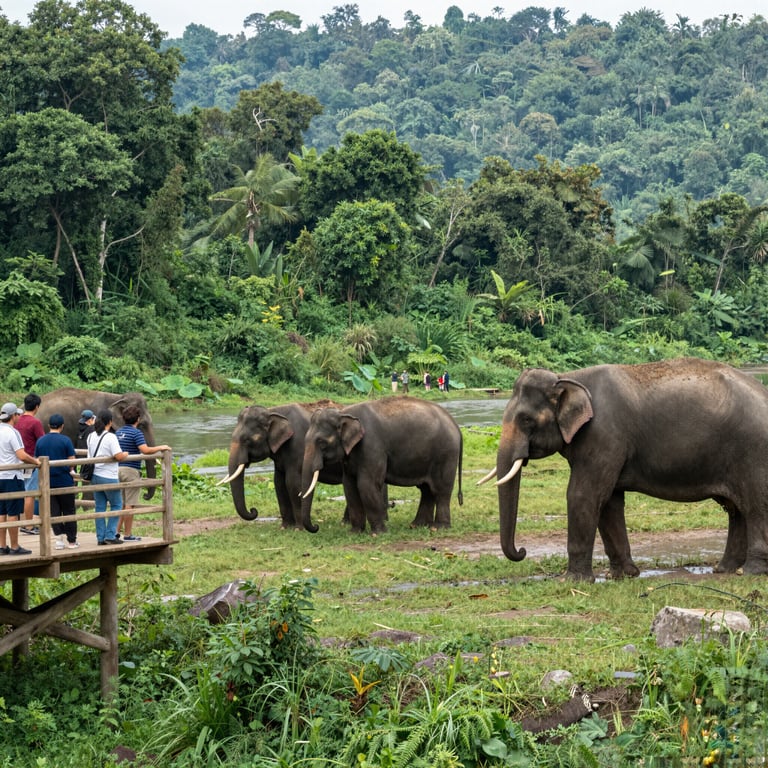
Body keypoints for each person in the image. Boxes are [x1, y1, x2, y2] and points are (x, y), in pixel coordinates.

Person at [116, 405, 171, 541]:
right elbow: (145, 450)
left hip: (117, 470)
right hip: (131, 471)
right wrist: (161, 447)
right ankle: (127, 535)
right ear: (138, 419)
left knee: (122, 503)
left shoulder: (118, 432)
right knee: (130, 504)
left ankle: (115, 532)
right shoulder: (136, 433)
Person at [0, 402, 40, 555]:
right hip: (12, 477)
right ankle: (15, 546)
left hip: (0, 477)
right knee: (12, 513)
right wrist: (36, 462)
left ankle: (2, 546)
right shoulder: (12, 432)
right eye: (17, 414)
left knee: (1, 513)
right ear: (13, 416)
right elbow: (21, 455)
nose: (19, 417)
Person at [35, 414, 78, 549]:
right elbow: (72, 460)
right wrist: (70, 469)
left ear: (49, 426)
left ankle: (58, 540)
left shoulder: (40, 441)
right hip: (64, 480)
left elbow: (37, 459)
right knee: (69, 510)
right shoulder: (66, 440)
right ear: (62, 426)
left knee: (54, 512)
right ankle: (71, 541)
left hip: (47, 482)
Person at [88, 409, 128, 545]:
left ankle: (100, 537)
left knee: (100, 507)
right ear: (110, 422)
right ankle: (110, 535)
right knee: (116, 504)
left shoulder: (91, 436)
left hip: (95, 475)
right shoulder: (110, 437)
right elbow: (118, 455)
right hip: (108, 476)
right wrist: (125, 454)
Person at [17, 393, 44, 534]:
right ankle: (28, 525)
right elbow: (42, 441)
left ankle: (21, 521)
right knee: (30, 493)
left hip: (17, 462)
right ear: (37, 407)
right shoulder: (35, 422)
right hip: (32, 461)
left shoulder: (17, 420)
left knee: (21, 492)